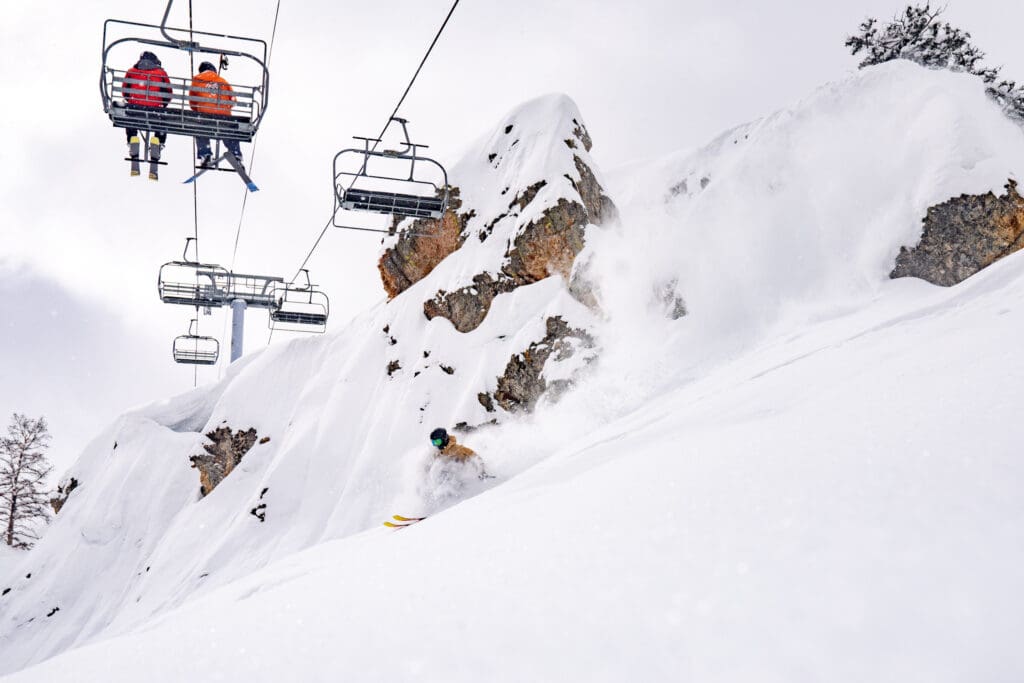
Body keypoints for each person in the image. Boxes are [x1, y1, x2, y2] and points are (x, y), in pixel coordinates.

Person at [122, 51, 171, 179]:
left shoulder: (132, 71)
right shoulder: (161, 73)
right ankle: (157, 141)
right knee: (162, 119)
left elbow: (125, 91)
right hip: (155, 109)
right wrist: (162, 104)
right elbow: (168, 93)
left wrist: (132, 100)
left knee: (130, 117)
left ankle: (132, 139)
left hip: (135, 108)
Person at [188, 61, 242, 167]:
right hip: (224, 116)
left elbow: (192, 101)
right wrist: (223, 107)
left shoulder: (197, 80)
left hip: (205, 115)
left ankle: (205, 154)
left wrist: (199, 109)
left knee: (200, 128)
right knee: (229, 130)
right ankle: (236, 154)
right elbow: (233, 100)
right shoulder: (222, 81)